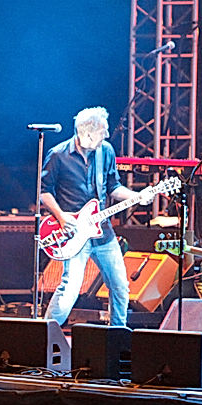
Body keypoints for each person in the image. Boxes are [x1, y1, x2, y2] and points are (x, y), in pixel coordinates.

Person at [41, 107, 155, 327]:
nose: (107, 135)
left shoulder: (106, 151)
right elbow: (44, 192)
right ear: (87, 134)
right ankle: (44, 336)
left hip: (103, 232)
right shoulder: (58, 155)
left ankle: (118, 335)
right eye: (103, 131)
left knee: (120, 285)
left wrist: (137, 196)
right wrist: (62, 217)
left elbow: (113, 187)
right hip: (72, 232)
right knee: (70, 288)